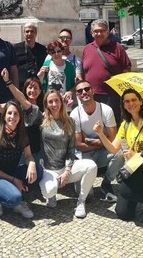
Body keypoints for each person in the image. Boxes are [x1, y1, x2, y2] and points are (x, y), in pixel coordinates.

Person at [94, 88, 143, 221]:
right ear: (124, 105)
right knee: (124, 214)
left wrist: (140, 155)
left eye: (134, 99)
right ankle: (137, 193)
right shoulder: (125, 124)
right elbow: (113, 149)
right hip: (135, 170)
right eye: (127, 101)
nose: (131, 103)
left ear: (140, 101)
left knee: (125, 190)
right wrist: (100, 134)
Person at [39, 90, 97, 219]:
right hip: (48, 169)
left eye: (56, 101)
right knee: (49, 191)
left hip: (65, 167)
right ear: (46, 104)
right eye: (50, 102)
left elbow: (71, 150)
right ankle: (52, 195)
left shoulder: (70, 121)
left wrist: (67, 171)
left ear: (61, 102)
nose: (54, 104)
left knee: (91, 166)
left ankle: (81, 201)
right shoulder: (41, 121)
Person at [0, 100, 42, 218]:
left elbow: (28, 155)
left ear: (20, 117)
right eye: (9, 113)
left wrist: (32, 164)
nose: (12, 117)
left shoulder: (22, 135)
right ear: (4, 117)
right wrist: (14, 180)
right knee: (14, 198)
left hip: (10, 172)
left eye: (16, 114)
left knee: (38, 170)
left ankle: (18, 200)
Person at [71, 80, 124, 202]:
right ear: (77, 95)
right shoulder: (75, 114)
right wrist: (103, 141)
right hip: (85, 155)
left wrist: (89, 141)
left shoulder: (106, 110)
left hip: (101, 152)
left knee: (120, 153)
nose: (84, 92)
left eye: (87, 89)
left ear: (92, 90)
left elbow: (113, 139)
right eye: (80, 91)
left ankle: (106, 183)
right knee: (87, 197)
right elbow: (79, 145)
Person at [82, 19, 131, 123]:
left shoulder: (117, 48)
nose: (99, 33)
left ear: (107, 32)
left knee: (112, 124)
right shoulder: (87, 49)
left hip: (112, 95)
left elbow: (127, 69)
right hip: (92, 95)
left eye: (102, 31)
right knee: (94, 125)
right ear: (91, 33)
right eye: (96, 31)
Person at [0, 69, 44, 163]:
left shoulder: (40, 108)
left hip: (34, 152)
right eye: (30, 87)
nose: (32, 90)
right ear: (25, 90)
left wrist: (8, 81)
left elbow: (23, 100)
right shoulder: (17, 107)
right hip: (17, 151)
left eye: (35, 88)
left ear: (40, 91)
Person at [38, 40, 76, 111]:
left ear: (62, 51)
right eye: (53, 52)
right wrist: (40, 76)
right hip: (50, 105)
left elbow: (74, 86)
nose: (56, 54)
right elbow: (41, 84)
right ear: (49, 53)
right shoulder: (47, 64)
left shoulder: (69, 66)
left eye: (58, 51)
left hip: (64, 105)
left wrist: (70, 92)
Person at [13, 23, 47, 89]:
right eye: (27, 31)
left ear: (36, 33)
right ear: (24, 33)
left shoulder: (42, 49)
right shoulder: (15, 48)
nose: (29, 34)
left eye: (32, 31)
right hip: (20, 87)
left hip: (37, 87)